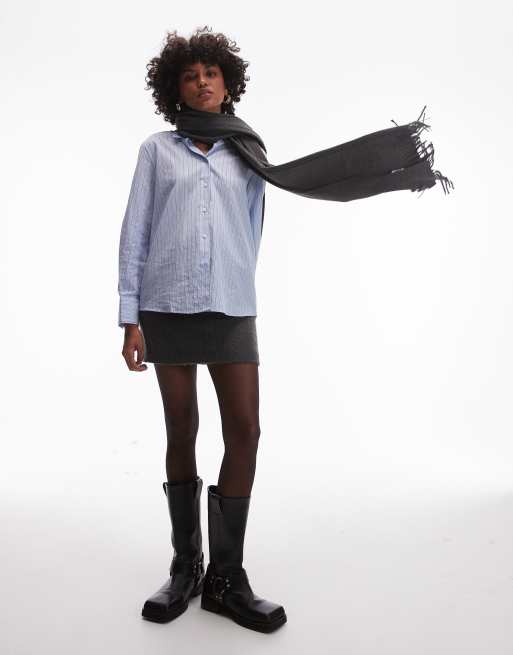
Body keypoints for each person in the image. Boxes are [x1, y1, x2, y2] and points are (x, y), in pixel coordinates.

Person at [117, 26, 287, 633]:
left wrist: (233, 280)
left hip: (231, 306)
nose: (202, 81)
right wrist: (130, 316)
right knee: (180, 428)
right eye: (190, 75)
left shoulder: (248, 151)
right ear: (176, 89)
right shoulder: (156, 150)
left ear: (227, 83)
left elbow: (253, 229)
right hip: (166, 305)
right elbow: (136, 230)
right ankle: (186, 567)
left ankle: (226, 578)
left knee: (245, 430)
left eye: (211, 72)